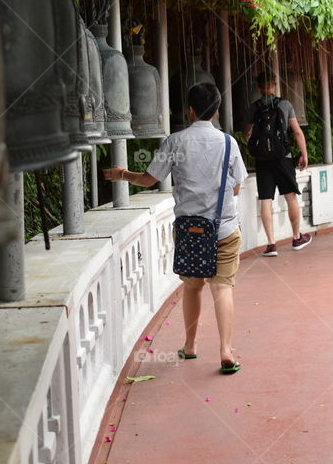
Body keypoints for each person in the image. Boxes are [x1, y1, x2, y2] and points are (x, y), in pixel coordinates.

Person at [104, 83, 248, 374]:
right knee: (222, 288)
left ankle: (191, 345)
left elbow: (148, 179)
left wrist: (122, 175)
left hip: (190, 231)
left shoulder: (174, 141)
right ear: (217, 111)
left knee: (193, 286)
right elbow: (235, 186)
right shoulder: (229, 143)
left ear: (191, 110)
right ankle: (226, 351)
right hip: (224, 229)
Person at [244, 72, 313, 257]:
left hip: (262, 160)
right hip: (283, 157)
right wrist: (304, 154)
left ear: (259, 88)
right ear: (274, 85)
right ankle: (297, 237)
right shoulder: (285, 104)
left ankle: (271, 244)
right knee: (290, 196)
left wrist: (257, 148)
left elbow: (247, 133)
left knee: (266, 199)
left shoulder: (255, 107)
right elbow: (297, 132)